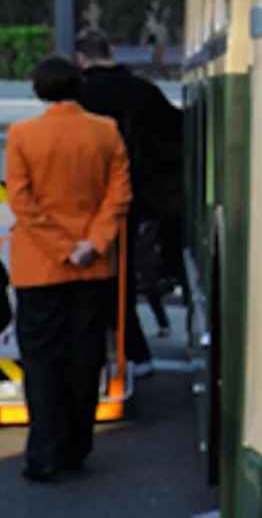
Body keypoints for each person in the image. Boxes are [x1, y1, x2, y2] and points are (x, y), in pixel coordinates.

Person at [4, 56, 130, 482]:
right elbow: (119, 195)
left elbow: (22, 202)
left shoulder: (23, 136)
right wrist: (91, 244)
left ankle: (44, 452)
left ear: (39, 90)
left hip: (39, 266)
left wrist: (60, 248)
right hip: (92, 267)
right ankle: (78, 446)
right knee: (84, 357)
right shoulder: (106, 131)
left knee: (42, 360)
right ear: (79, 86)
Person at [76, 28, 183, 376]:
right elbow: (175, 135)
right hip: (138, 195)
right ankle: (134, 351)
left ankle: (113, 354)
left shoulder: (81, 94)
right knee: (123, 274)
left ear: (81, 58)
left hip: (87, 197)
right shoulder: (144, 91)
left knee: (91, 276)